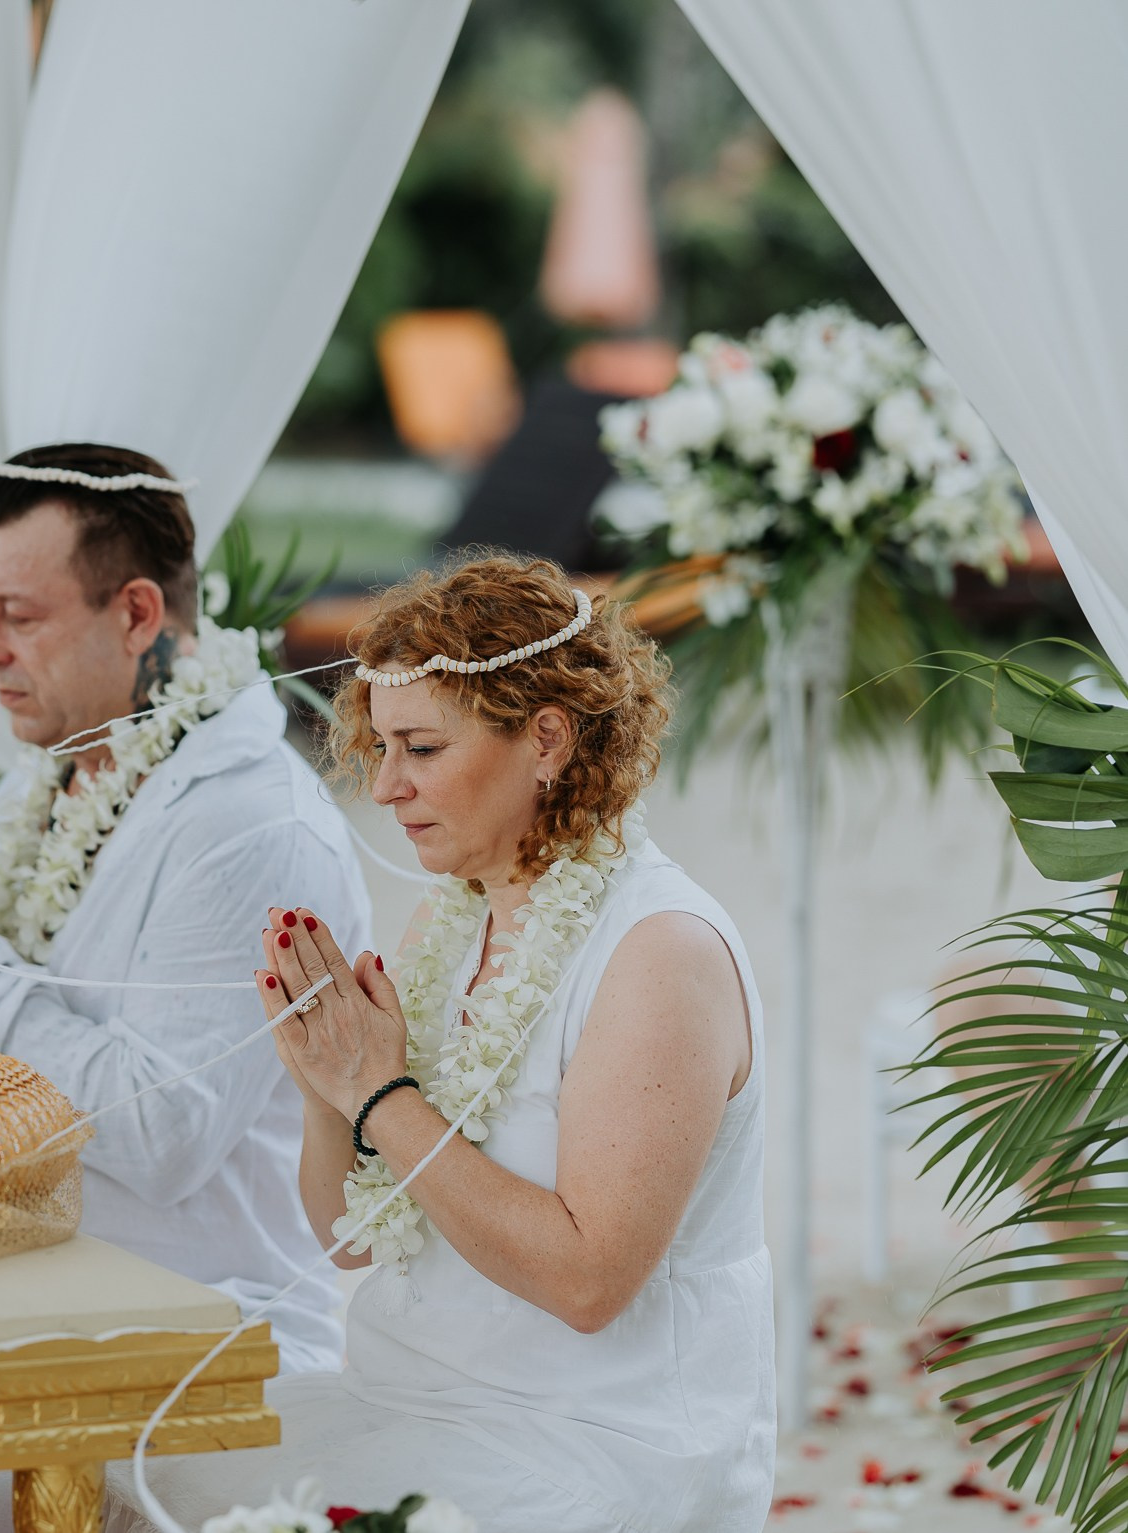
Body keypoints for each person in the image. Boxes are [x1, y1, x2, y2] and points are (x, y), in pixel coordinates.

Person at [107, 556, 774, 1533]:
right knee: (108, 1473)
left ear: (545, 739)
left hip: (593, 1441)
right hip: (401, 1395)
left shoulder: (657, 954)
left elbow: (586, 1283)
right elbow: (350, 1235)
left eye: (418, 748)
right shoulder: (449, 923)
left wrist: (381, 1098)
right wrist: (321, 1091)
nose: (382, 787)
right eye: (376, 748)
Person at [0, 442, 371, 1382]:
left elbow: (163, 1135)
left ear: (134, 614)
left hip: (195, 1339)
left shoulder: (252, 826)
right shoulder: (52, 772)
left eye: (19, 615)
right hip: (16, 1289)